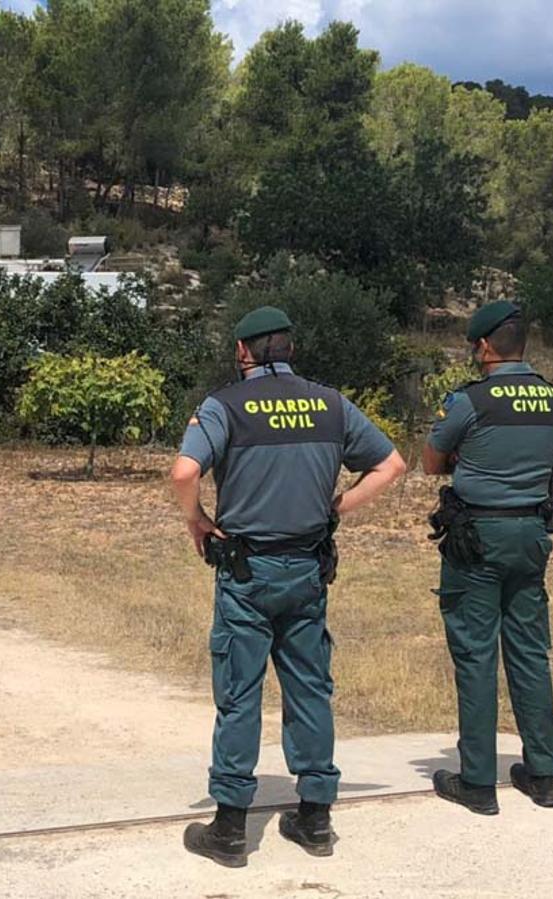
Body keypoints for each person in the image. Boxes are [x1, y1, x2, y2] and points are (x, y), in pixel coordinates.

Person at [172, 305, 406, 867]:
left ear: (243, 352)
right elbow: (392, 465)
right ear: (291, 350)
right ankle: (316, 818)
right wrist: (337, 508)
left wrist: (196, 520)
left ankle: (230, 828)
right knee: (308, 688)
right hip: (307, 571)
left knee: (239, 694)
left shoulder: (223, 405)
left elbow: (184, 472)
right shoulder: (331, 403)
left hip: (247, 574)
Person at [422, 300, 553, 815]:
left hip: (477, 537)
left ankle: (478, 781)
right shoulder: (552, 398)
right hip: (531, 533)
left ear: (483, 347)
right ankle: (543, 773)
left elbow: (432, 461)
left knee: (476, 653)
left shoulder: (470, 401)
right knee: (529, 652)